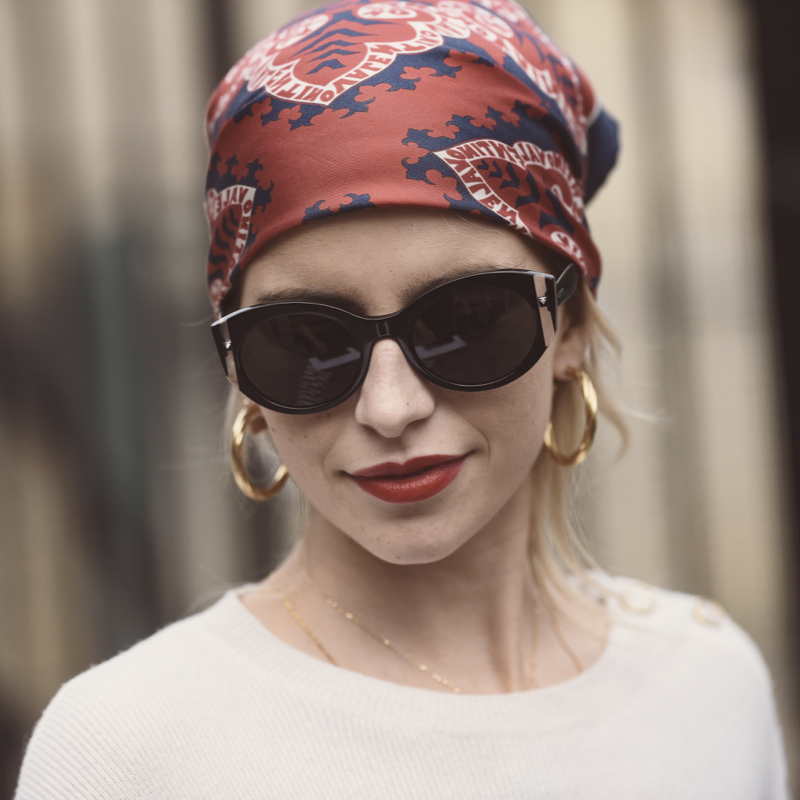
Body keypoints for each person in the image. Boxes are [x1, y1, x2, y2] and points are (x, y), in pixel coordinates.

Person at [15, 1, 790, 798]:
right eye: (307, 339)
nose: (390, 408)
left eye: (466, 318)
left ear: (570, 330)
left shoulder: (706, 690)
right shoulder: (125, 751)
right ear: (239, 366)